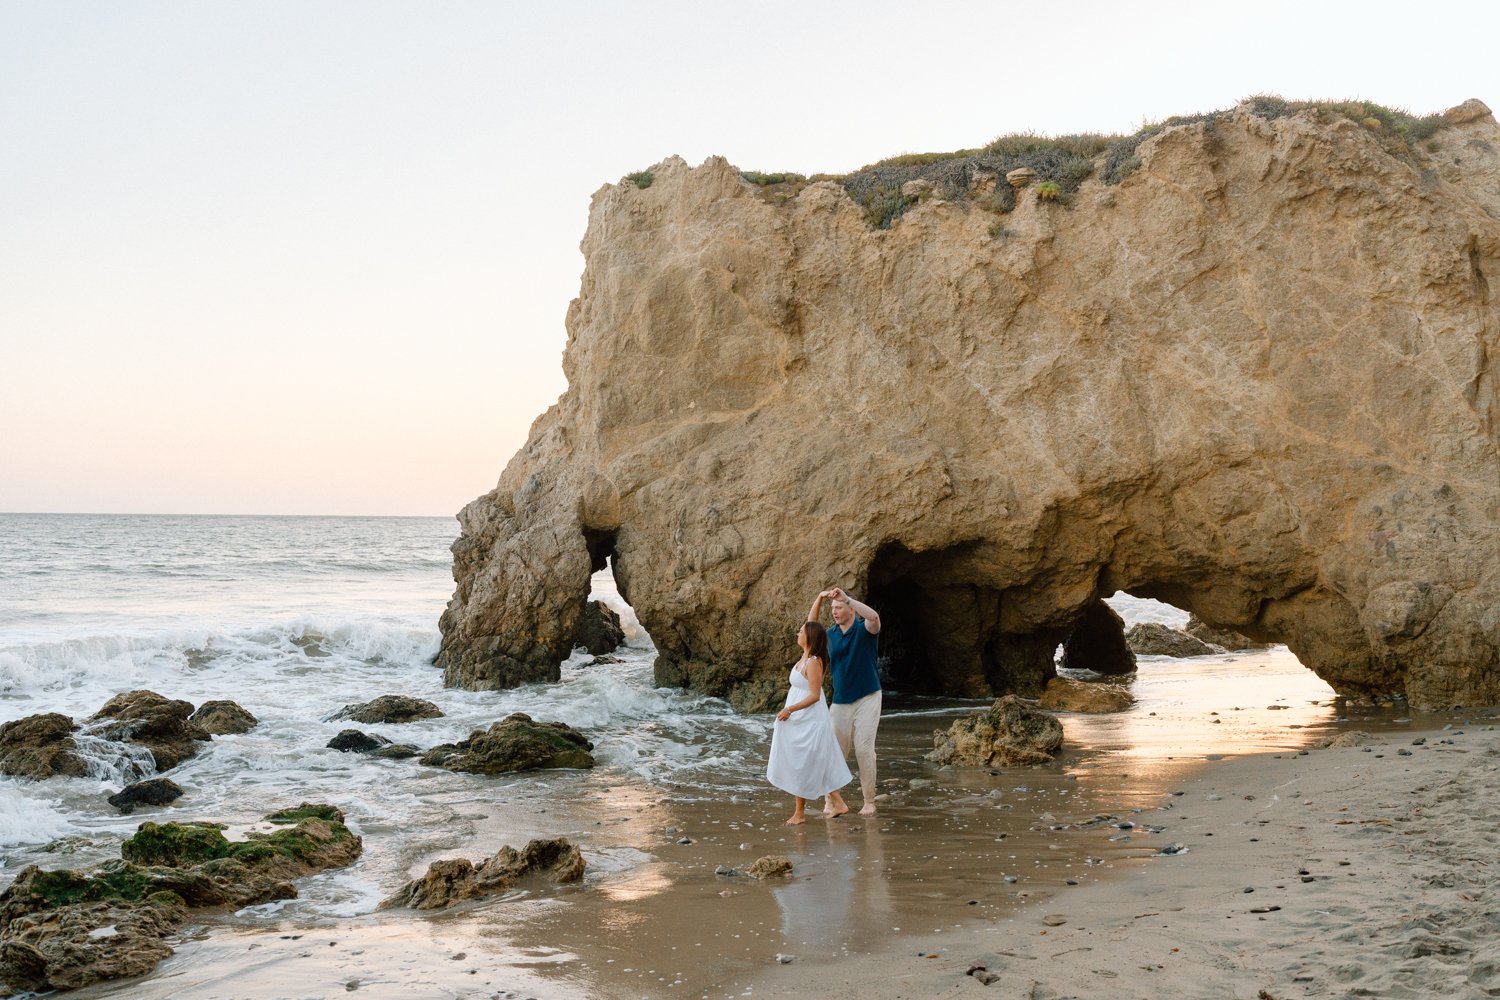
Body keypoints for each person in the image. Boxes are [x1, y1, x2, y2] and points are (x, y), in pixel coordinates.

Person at [766, 620, 852, 825]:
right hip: (800, 718)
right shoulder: (805, 657)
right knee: (807, 761)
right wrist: (820, 598)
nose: (797, 633)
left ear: (810, 637)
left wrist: (789, 709)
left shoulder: (813, 661)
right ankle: (834, 804)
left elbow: (814, 694)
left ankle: (801, 813)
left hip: (810, 718)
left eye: (801, 632)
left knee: (805, 761)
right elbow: (811, 622)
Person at [809, 586, 881, 815]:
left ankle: (869, 800)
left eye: (839, 608)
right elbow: (810, 629)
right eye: (833, 609)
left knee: (864, 749)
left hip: (868, 696)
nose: (835, 612)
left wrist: (848, 598)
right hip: (840, 701)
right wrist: (820, 599)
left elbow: (874, 617)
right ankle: (831, 800)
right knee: (833, 752)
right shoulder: (829, 635)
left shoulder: (864, 629)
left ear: (851, 610)